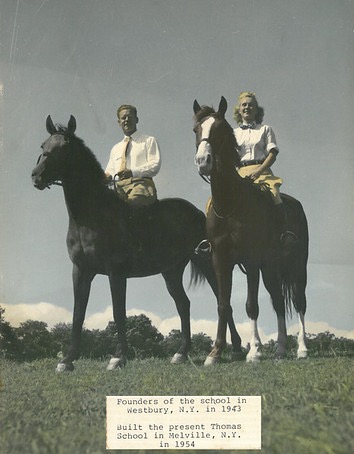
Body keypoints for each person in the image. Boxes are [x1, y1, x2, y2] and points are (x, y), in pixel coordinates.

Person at [233, 91, 297, 254]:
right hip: (240, 173)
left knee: (274, 193)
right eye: (244, 104)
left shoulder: (265, 129)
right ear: (239, 109)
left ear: (256, 110)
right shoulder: (233, 133)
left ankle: (284, 232)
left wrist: (259, 170)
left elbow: (273, 153)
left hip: (261, 170)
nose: (247, 107)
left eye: (251, 105)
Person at [105, 104, 161, 207]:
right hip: (119, 188)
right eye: (123, 118)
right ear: (119, 123)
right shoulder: (115, 148)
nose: (126, 120)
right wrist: (106, 176)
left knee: (133, 205)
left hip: (141, 186)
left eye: (130, 117)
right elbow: (111, 171)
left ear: (137, 120)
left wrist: (132, 172)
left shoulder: (148, 140)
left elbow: (155, 165)